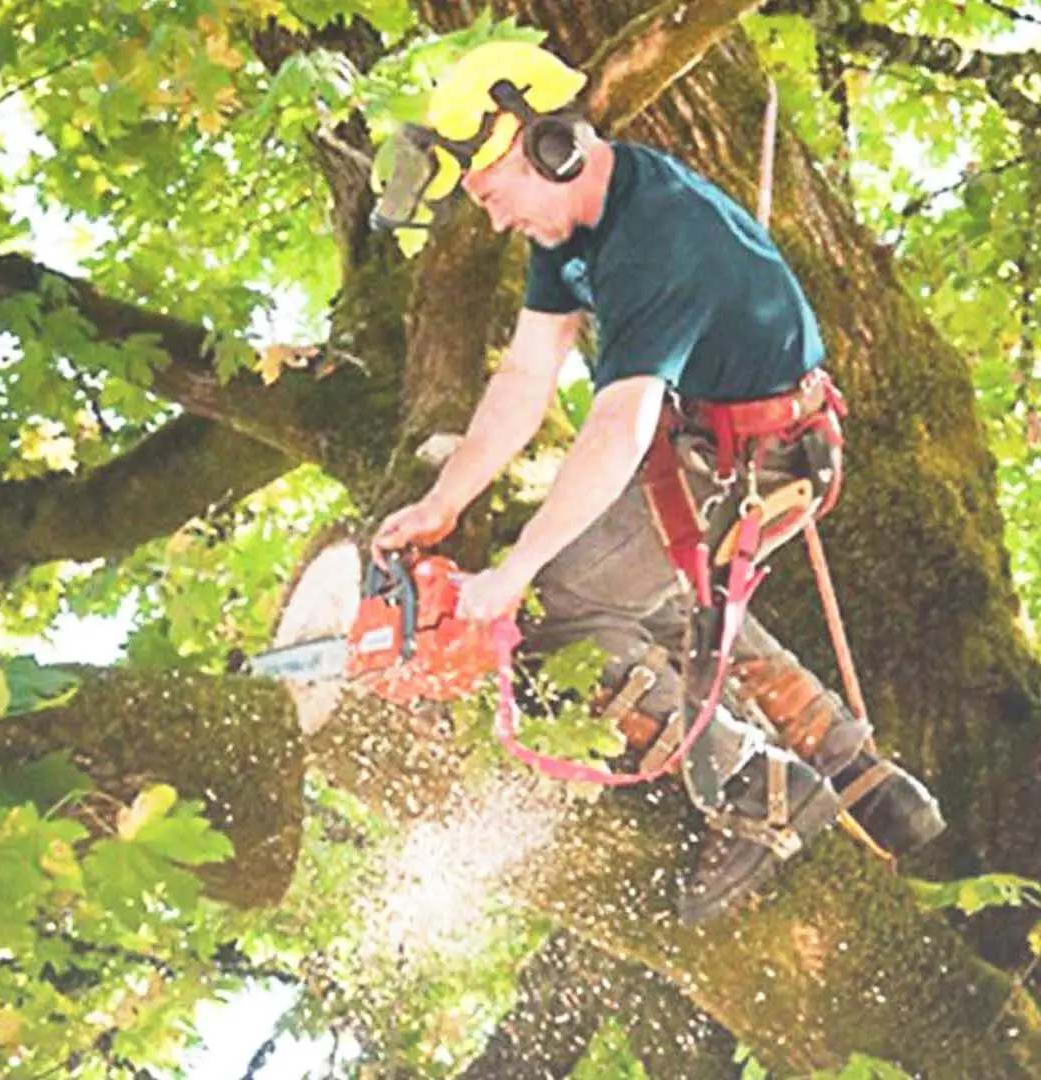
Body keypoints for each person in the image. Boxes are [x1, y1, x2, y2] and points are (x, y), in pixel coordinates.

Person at [369, 40, 944, 922]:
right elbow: (525, 378)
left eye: (492, 197)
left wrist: (513, 575)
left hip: (754, 457)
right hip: (719, 444)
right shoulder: (580, 223)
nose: (492, 222)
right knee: (655, 593)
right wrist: (445, 501)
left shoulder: (653, 243)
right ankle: (845, 758)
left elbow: (617, 425)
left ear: (548, 148)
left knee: (566, 607)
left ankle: (761, 794)